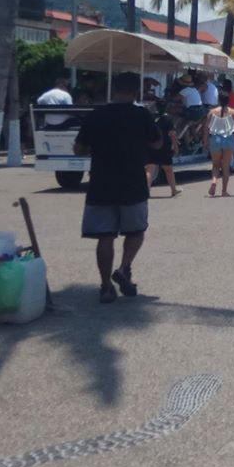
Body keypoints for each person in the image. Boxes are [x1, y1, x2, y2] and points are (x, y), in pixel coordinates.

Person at [73, 72, 161, 303]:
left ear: (113, 91)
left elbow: (78, 148)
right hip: (133, 181)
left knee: (105, 237)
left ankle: (104, 286)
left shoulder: (97, 115)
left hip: (101, 182)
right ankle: (123, 268)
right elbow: (157, 142)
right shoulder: (141, 115)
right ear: (135, 93)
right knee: (136, 230)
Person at [203, 91, 234, 197]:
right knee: (225, 166)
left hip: (215, 139)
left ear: (218, 100)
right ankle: (224, 191)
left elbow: (206, 128)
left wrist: (206, 141)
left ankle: (214, 182)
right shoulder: (233, 112)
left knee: (215, 165)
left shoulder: (212, 112)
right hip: (228, 139)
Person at [146, 101, 181, 196]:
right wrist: (176, 147)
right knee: (168, 169)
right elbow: (173, 135)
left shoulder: (152, 118)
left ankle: (146, 191)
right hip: (164, 146)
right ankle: (173, 190)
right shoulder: (168, 119)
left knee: (149, 170)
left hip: (151, 145)